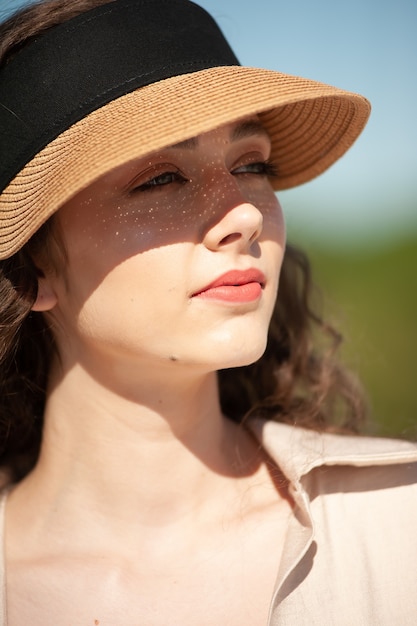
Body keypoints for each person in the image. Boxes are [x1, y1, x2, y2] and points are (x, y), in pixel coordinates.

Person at [0, 0, 416, 624]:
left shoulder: (397, 524)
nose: (245, 214)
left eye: (250, 165)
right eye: (160, 178)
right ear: (33, 271)